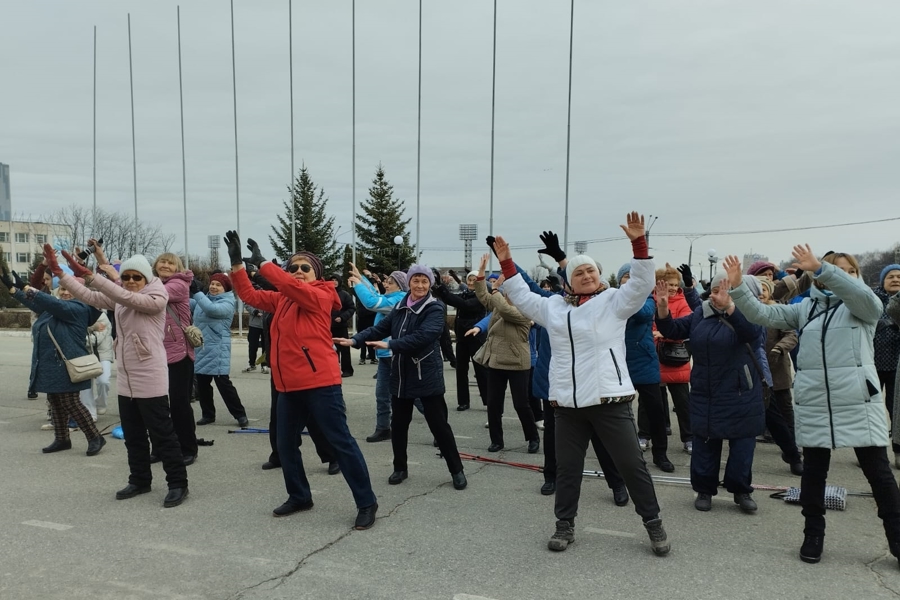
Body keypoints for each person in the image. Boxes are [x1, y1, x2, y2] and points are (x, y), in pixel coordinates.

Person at [493, 212, 670, 557]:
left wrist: (639, 244)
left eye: (591, 270)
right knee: (567, 470)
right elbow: (524, 297)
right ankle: (564, 525)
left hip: (609, 401)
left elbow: (641, 284)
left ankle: (653, 523)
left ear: (598, 275)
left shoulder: (614, 301)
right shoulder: (554, 308)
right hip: (567, 406)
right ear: (569, 281)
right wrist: (508, 263)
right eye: (579, 272)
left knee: (632, 466)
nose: (587, 276)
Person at [726, 247, 900, 566]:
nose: (842, 275)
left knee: (880, 474)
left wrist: (823, 268)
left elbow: (866, 300)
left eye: (849, 271)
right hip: (816, 400)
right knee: (814, 474)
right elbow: (762, 315)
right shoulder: (805, 308)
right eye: (836, 270)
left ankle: (897, 537)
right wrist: (738, 286)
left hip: (859, 400)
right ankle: (813, 533)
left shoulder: (864, 306)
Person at [225, 231, 378, 529]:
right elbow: (250, 295)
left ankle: (366, 501)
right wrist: (237, 266)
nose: (297, 272)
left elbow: (288, 285)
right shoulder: (283, 298)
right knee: (285, 445)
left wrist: (267, 265)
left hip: (321, 383)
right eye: (293, 267)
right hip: (287, 386)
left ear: (316, 274)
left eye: (304, 268)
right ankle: (300, 496)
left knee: (341, 443)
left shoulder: (321, 295)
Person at [50, 245, 189, 507]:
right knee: (134, 435)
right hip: (127, 380)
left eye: (137, 277)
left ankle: (178, 483)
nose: (131, 282)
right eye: (126, 277)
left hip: (151, 379)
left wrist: (92, 275)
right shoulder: (122, 297)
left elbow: (126, 298)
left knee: (163, 435)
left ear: (147, 278)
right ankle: (139, 479)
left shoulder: (156, 296)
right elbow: (90, 296)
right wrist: (63, 274)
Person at [336, 264, 467, 491]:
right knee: (399, 425)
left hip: (426, 376)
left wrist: (391, 345)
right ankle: (400, 467)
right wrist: (354, 340)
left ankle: (456, 470)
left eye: (424, 281)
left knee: (439, 426)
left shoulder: (435, 308)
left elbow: (424, 336)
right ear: (409, 282)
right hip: (401, 375)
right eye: (415, 281)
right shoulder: (400, 305)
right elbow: (381, 328)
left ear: (430, 284)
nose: (419, 285)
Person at [656, 272, 766, 513]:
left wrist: (730, 308)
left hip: (741, 391)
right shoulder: (700, 313)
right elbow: (674, 330)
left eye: (724, 291)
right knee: (705, 442)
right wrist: (663, 309)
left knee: (742, 446)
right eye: (715, 291)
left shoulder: (751, 315)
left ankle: (741, 490)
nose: (717, 296)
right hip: (706, 390)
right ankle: (704, 489)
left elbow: (751, 335)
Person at [2, 269, 106, 456]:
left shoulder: (78, 309)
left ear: (80, 292)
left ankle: (95, 437)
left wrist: (27, 287)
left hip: (67, 364)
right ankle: (62, 438)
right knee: (55, 401)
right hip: (52, 365)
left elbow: (50, 303)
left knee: (71, 402)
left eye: (70, 289)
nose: (65, 292)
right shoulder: (54, 309)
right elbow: (34, 303)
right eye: (62, 289)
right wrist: (14, 290)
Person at [470, 253, 539, 454]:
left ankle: (532, 437)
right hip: (496, 361)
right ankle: (496, 440)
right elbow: (484, 296)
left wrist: (496, 290)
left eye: (509, 292)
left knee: (521, 404)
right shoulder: (499, 305)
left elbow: (505, 309)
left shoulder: (526, 311)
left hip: (517, 363)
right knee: (493, 404)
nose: (507, 295)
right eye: (505, 292)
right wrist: (481, 273)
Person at [618, 263, 674, 472]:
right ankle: (624, 454)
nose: (628, 280)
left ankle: (661, 454)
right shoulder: (614, 298)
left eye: (632, 277)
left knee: (655, 411)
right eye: (625, 277)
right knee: (619, 413)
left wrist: (630, 296)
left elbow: (642, 314)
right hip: (620, 362)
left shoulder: (647, 299)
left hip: (645, 361)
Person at [348, 264, 410, 442]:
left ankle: (438, 428)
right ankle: (383, 428)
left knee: (413, 396)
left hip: (394, 354)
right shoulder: (391, 297)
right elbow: (376, 296)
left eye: (390, 282)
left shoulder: (399, 300)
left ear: (400, 285)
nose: (386, 284)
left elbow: (372, 303)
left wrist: (358, 284)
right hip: (385, 356)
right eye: (386, 281)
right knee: (382, 395)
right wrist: (362, 279)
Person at [150, 251, 200, 465]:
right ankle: (161, 447)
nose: (166, 265)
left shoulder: (178, 285)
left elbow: (152, 297)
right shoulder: (151, 283)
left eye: (171, 263)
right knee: (156, 404)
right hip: (156, 351)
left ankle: (188, 447)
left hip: (180, 353)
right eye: (163, 261)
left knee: (179, 403)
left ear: (177, 268)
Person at [192, 273, 249, 428]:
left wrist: (196, 292)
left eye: (218, 285)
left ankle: (240, 414)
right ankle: (208, 415)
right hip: (202, 348)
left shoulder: (228, 302)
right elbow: (190, 304)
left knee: (224, 385)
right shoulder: (203, 299)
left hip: (217, 350)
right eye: (212, 284)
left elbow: (212, 310)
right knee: (203, 386)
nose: (214, 287)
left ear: (226, 288)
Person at [652, 264, 695, 455]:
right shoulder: (650, 299)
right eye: (668, 283)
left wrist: (663, 332)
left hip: (675, 357)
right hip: (653, 357)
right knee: (654, 404)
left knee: (683, 403)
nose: (672, 287)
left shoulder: (681, 300)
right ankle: (652, 435)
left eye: (675, 284)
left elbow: (685, 325)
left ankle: (689, 438)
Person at [432, 270, 488, 411]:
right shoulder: (464, 294)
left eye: (474, 280)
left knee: (480, 370)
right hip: (462, 337)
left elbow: (465, 305)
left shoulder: (482, 296)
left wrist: (444, 291)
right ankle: (463, 401)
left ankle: (488, 400)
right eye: (469, 280)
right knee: (461, 370)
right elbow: (451, 298)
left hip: (476, 337)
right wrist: (438, 286)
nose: (470, 283)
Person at [874, 264, 900, 460]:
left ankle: (898, 450)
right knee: (872, 410)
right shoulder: (873, 300)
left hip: (897, 366)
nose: (895, 279)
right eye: (891, 276)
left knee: (896, 410)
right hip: (872, 363)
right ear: (883, 280)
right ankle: (872, 451)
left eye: (899, 276)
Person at [86, 309, 113, 416]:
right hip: (83, 354)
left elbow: (93, 340)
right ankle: (90, 411)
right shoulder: (78, 310)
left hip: (102, 353)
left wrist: (83, 329)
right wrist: (92, 327)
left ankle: (101, 403)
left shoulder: (101, 315)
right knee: (86, 385)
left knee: (103, 381)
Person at [329, 274, 357, 378]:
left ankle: (347, 370)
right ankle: (334, 369)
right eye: (332, 280)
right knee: (331, 349)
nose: (334, 282)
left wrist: (342, 317)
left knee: (344, 349)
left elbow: (351, 308)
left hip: (341, 326)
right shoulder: (326, 293)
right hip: (328, 326)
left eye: (336, 280)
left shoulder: (344, 295)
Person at [243, 301, 270, 374]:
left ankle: (264, 365)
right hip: (254, 324)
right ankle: (251, 364)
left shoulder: (269, 290)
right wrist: (254, 311)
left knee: (266, 345)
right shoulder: (253, 291)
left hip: (266, 324)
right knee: (252, 345)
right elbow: (247, 303)